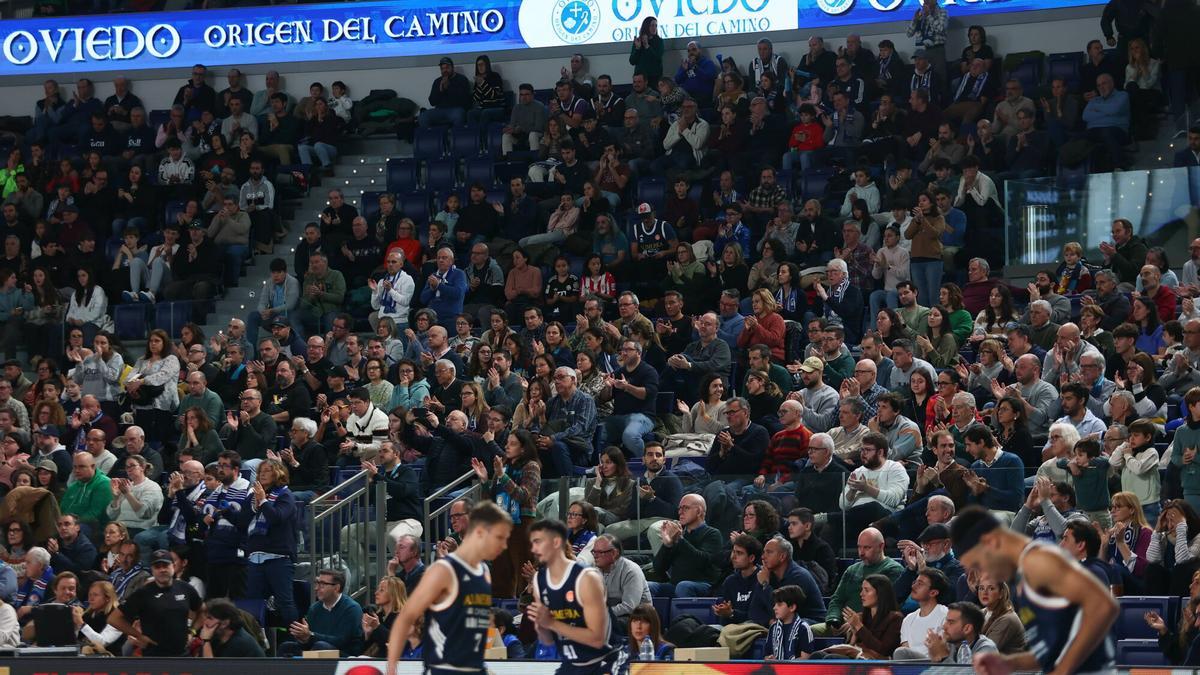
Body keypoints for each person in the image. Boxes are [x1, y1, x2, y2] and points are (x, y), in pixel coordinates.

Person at [949, 505, 1118, 674]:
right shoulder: (1025, 576)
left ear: (990, 542)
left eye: (978, 564)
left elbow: (1103, 606)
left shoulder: (1038, 561)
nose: (983, 575)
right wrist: (1009, 663)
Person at [385, 501, 512, 673]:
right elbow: (405, 618)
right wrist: (392, 667)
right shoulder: (443, 570)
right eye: (499, 537)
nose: (504, 546)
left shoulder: (484, 571)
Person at [527, 518, 615, 674]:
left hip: (605, 662)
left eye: (538, 542)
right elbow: (547, 640)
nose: (533, 549)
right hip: (572, 664)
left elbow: (597, 639)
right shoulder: (539, 581)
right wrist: (541, 626)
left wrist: (551, 623)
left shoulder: (587, 578)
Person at [107, 549, 203, 656]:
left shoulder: (185, 588)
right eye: (157, 567)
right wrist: (139, 636)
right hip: (154, 656)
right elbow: (114, 619)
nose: (162, 570)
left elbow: (203, 611)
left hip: (183, 655)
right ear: (152, 570)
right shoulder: (143, 593)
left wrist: (192, 632)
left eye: (165, 565)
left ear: (173, 566)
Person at [199, 598, 266, 657]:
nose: (205, 622)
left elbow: (212, 669)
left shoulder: (240, 643)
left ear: (225, 623)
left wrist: (206, 641)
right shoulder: (218, 637)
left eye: (210, 618)